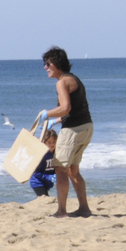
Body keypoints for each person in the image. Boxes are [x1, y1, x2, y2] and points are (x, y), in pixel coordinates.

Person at [39, 46, 94, 218]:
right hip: (86, 127)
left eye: (48, 63)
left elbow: (65, 108)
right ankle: (84, 208)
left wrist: (46, 114)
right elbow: (72, 110)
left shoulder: (62, 82)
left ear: (56, 63)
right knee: (73, 170)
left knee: (61, 169)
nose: (45, 67)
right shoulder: (73, 79)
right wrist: (54, 121)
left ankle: (61, 211)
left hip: (73, 130)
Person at [29, 128, 58, 197]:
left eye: (54, 141)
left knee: (44, 198)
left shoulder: (56, 153)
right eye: (49, 142)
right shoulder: (42, 154)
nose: (52, 144)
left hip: (47, 182)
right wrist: (50, 177)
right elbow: (36, 173)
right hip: (37, 182)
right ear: (44, 142)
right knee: (45, 198)